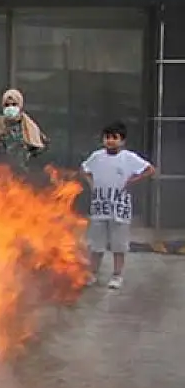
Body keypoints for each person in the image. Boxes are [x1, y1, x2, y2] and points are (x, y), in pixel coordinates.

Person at [82, 121, 155, 289]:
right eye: (107, 137)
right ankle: (93, 273)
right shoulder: (97, 156)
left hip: (120, 209)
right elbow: (84, 169)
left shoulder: (128, 158)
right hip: (100, 207)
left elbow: (150, 169)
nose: (110, 141)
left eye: (115, 138)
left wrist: (132, 180)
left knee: (119, 245)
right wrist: (92, 185)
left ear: (122, 141)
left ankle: (117, 275)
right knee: (96, 244)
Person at [0, 88, 47, 168]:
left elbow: (40, 149)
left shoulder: (30, 127)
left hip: (25, 173)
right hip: (3, 172)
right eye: (7, 105)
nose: (10, 108)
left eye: (14, 104)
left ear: (20, 105)